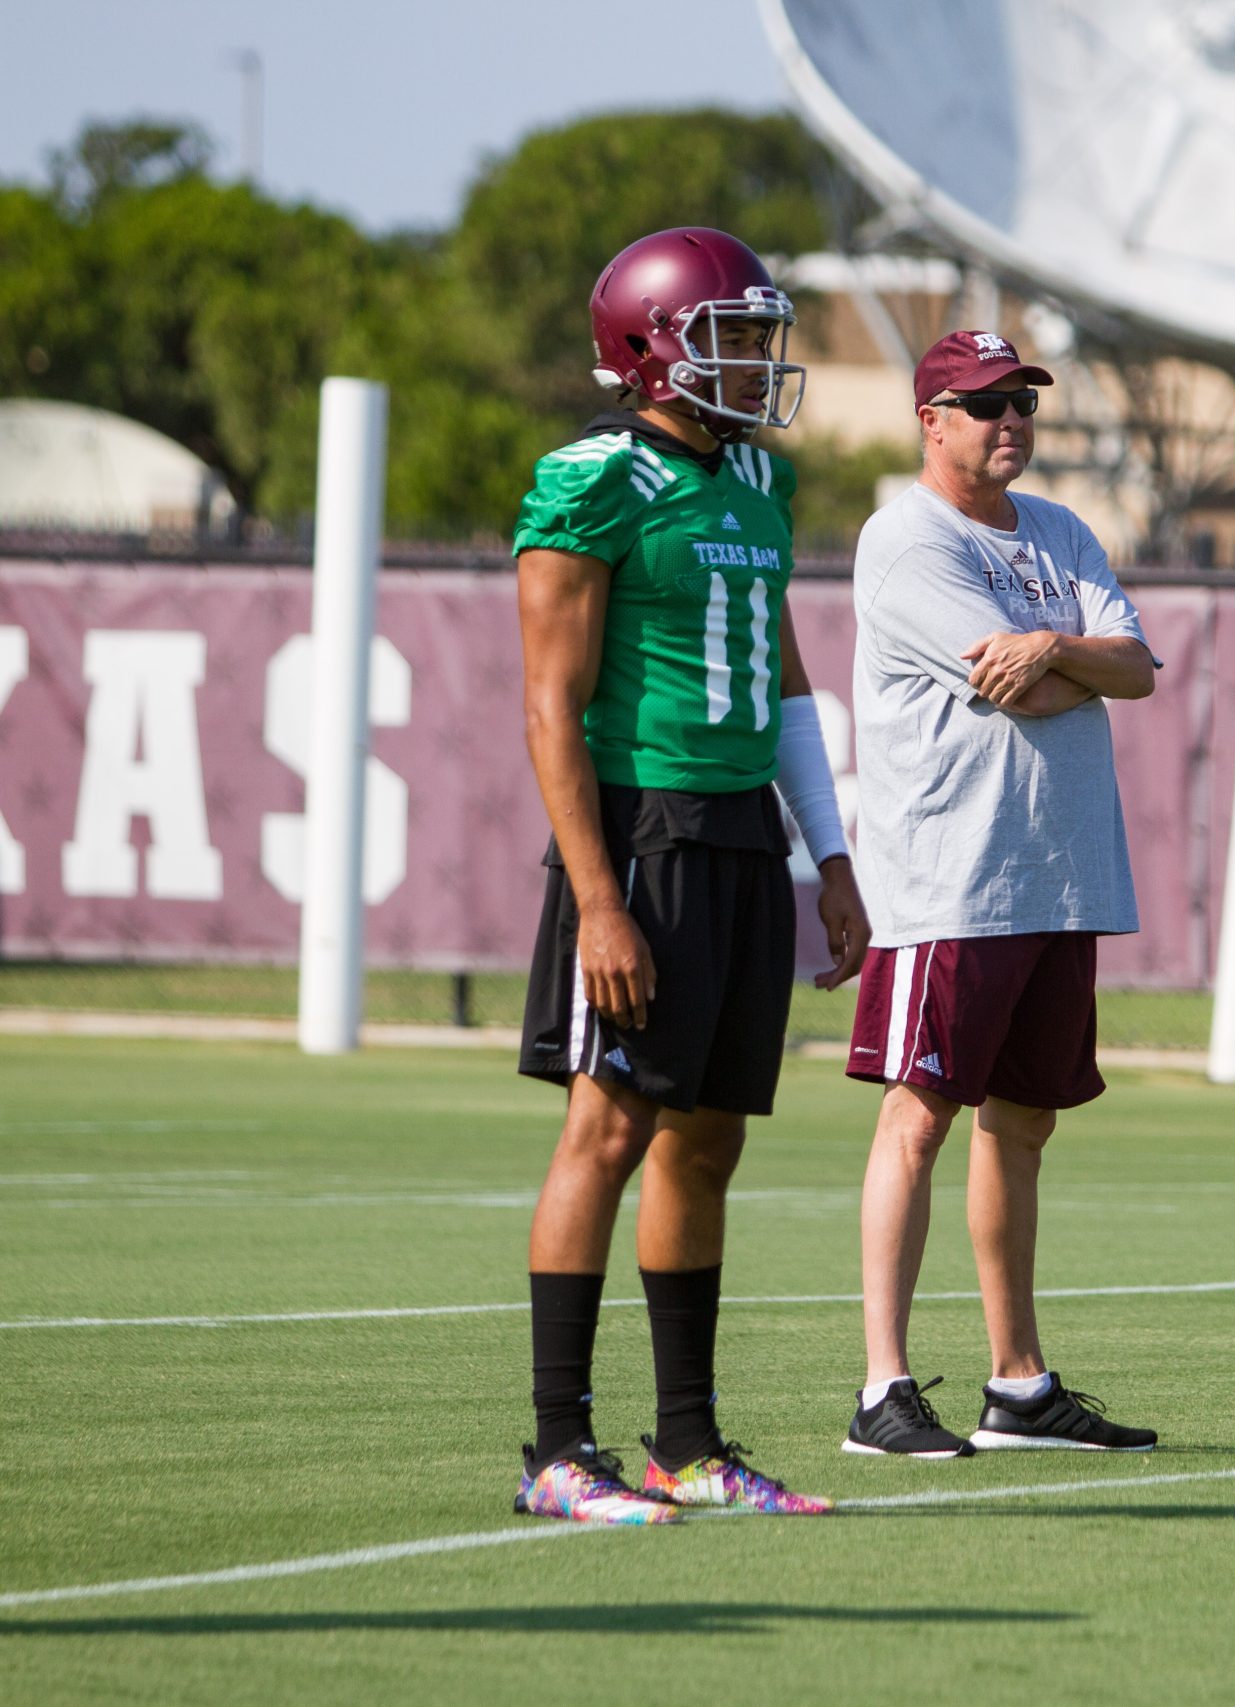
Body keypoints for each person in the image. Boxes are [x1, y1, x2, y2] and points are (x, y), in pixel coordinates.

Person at [511, 227, 868, 1521]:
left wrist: (829, 850)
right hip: (640, 828)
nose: (758, 361)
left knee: (707, 1138)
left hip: (737, 837)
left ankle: (688, 1442)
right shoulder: (592, 480)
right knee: (606, 1125)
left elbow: (780, 684)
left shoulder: (759, 487)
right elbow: (551, 706)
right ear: (656, 345)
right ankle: (556, 1448)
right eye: (732, 335)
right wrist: (599, 894)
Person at [839, 330, 1161, 1458]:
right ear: (930, 421)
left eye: (1018, 398)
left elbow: (1136, 670)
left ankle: (1018, 1385)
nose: (1008, 418)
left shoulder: (1062, 530)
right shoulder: (903, 540)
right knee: (918, 1116)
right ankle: (882, 1388)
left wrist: (1055, 644)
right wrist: (1071, 656)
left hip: (1059, 872)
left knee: (1022, 1122)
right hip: (952, 877)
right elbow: (1013, 690)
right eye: (981, 403)